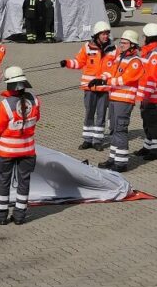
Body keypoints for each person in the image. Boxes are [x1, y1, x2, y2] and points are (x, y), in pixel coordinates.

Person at [0, 66, 41, 225]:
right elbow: (37, 119)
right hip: (28, 151)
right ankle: (20, 216)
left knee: (4, 181)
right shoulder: (35, 100)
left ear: (9, 85)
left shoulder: (5, 105)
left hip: (7, 152)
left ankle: (1, 216)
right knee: (24, 182)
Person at [90, 29, 144, 173]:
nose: (121, 45)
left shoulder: (135, 62)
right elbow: (111, 71)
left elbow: (123, 80)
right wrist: (100, 78)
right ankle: (113, 159)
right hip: (114, 98)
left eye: (125, 43)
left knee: (120, 130)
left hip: (124, 101)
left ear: (133, 45)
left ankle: (121, 164)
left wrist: (106, 81)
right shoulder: (120, 57)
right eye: (121, 42)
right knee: (113, 129)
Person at [61, 20, 114, 150]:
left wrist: (103, 79)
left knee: (101, 114)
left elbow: (114, 68)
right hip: (89, 88)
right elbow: (78, 62)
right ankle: (87, 140)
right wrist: (67, 63)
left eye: (107, 34)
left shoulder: (113, 49)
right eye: (103, 34)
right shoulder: (87, 47)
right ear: (96, 35)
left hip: (104, 87)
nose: (105, 36)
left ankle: (97, 141)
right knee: (89, 113)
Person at [135, 23, 157, 161]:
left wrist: (146, 96)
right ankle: (148, 146)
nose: (143, 38)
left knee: (153, 122)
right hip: (147, 95)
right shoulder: (150, 52)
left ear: (149, 37)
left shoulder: (155, 54)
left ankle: (156, 150)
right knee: (147, 121)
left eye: (145, 36)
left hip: (152, 97)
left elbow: (152, 78)